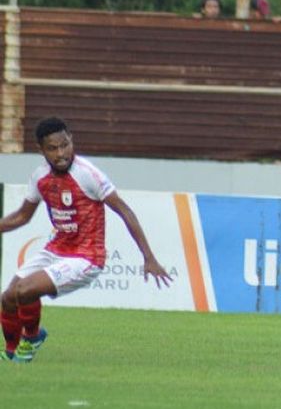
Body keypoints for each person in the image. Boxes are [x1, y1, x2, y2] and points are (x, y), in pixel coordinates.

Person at [0, 117, 171, 363]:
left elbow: (125, 211)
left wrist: (149, 257)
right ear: (41, 150)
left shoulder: (89, 175)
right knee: (7, 297)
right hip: (56, 249)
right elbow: (21, 217)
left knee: (25, 290)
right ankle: (9, 353)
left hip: (86, 256)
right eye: (53, 148)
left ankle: (33, 337)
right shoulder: (39, 178)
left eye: (65, 145)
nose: (61, 153)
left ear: (71, 140)